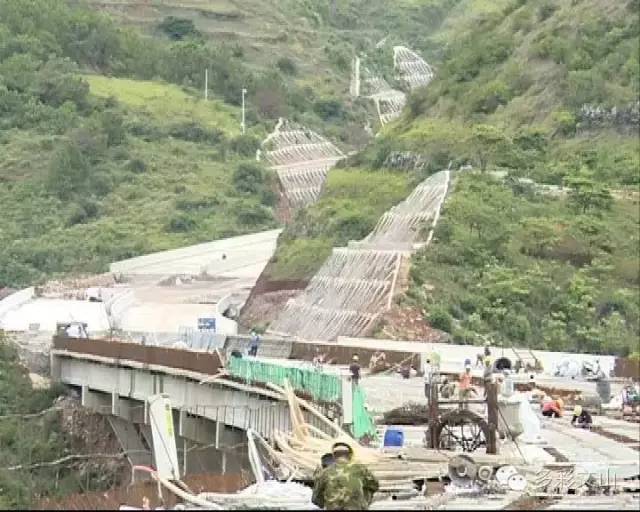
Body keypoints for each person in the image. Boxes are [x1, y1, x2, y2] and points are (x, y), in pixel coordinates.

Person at [312, 442, 379, 510]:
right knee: (367, 487)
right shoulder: (360, 469)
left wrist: (327, 503)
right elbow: (375, 486)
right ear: (349, 455)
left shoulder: (325, 472)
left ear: (334, 456)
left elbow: (315, 499)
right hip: (356, 507)